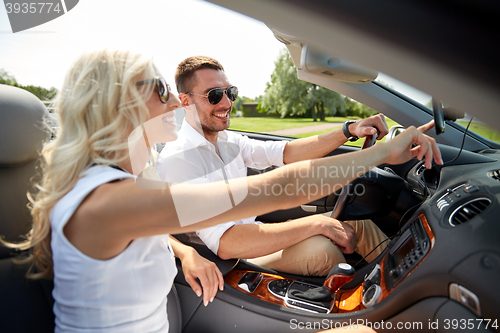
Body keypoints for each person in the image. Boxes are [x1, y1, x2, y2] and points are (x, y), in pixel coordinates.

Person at [4, 49, 441, 332]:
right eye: (161, 90)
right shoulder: (107, 200)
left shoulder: (120, 186)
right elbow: (272, 190)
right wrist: (382, 152)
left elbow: (284, 156)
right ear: (118, 103)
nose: (176, 101)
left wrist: (183, 251)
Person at [157, 56, 391, 276]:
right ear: (185, 101)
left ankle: (403, 281)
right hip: (235, 259)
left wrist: (348, 130)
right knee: (322, 251)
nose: (227, 103)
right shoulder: (180, 159)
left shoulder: (229, 140)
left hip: (255, 235)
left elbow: (286, 152)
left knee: (357, 222)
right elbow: (226, 243)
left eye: (230, 92)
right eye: (214, 95)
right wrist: (315, 224)